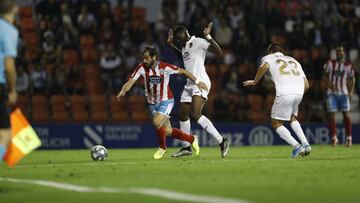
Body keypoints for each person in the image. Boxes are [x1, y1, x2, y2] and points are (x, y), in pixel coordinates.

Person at [117, 46, 208, 160]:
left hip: (166, 100)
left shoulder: (165, 67)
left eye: (147, 58)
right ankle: (192, 139)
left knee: (156, 122)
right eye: (143, 58)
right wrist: (124, 90)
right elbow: (131, 82)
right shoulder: (141, 68)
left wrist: (198, 82)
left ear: (154, 57)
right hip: (152, 103)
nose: (144, 61)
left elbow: (183, 71)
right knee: (167, 131)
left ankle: (162, 147)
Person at [167, 22, 230, 158]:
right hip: (190, 83)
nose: (179, 40)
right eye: (177, 39)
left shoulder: (199, 42)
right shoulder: (184, 46)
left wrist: (208, 37)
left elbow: (219, 53)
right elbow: (184, 53)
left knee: (195, 114)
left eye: (180, 37)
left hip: (200, 82)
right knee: (182, 114)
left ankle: (222, 141)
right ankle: (186, 147)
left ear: (186, 33)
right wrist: (171, 44)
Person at [243, 42, 311, 158]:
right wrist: (297, 94)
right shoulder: (294, 60)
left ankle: (296, 146)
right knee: (292, 118)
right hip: (299, 92)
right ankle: (306, 144)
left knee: (276, 123)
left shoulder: (268, 57)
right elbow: (307, 85)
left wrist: (254, 81)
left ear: (270, 51)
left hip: (285, 92)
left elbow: (263, 66)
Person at [323, 46, 355, 147]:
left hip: (343, 93)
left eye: (341, 51)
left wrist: (351, 91)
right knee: (331, 114)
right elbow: (324, 76)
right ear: (335, 53)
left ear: (344, 52)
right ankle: (334, 138)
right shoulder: (330, 63)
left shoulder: (348, 65)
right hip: (331, 93)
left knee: (346, 115)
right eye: (337, 51)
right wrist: (330, 84)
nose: (339, 53)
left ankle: (349, 138)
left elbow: (352, 78)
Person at [0, 0, 18, 163]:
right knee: (5, 134)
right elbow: (9, 66)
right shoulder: (8, 30)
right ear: (14, 9)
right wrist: (12, 89)